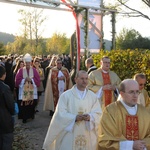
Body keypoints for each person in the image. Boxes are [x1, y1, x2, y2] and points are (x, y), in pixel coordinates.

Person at [43, 70, 102, 150]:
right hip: (70, 134)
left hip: (87, 133)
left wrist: (90, 117)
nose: (84, 81)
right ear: (75, 79)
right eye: (82, 79)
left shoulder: (93, 96)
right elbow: (60, 114)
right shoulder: (66, 96)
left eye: (86, 79)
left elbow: (98, 113)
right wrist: (74, 118)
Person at [98, 79, 150, 150]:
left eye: (137, 92)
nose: (135, 96)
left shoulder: (144, 112)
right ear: (122, 94)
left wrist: (142, 145)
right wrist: (131, 145)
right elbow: (105, 140)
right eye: (131, 92)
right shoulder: (110, 111)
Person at [15, 53, 40, 123]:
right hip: (24, 90)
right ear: (25, 63)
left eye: (29, 62)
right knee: (24, 105)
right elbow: (17, 80)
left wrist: (31, 80)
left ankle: (31, 115)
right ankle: (25, 117)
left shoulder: (34, 70)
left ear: (31, 63)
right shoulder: (20, 70)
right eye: (26, 63)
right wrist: (24, 80)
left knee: (32, 104)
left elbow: (37, 80)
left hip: (32, 90)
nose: (28, 64)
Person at [0, 66, 14, 150]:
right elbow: (10, 105)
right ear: (4, 75)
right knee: (6, 142)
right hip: (4, 119)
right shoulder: (5, 88)